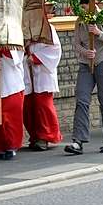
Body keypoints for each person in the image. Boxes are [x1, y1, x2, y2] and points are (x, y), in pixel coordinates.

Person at [64, 0, 103, 155]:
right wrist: (84, 52)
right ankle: (78, 141)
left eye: (83, 6)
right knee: (82, 99)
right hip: (85, 64)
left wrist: (98, 33)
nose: (80, 9)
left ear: (90, 4)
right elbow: (76, 44)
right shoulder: (80, 21)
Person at [23, 22, 63, 151]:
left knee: (42, 105)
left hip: (42, 72)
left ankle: (45, 137)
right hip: (26, 70)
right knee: (28, 106)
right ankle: (34, 136)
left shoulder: (47, 28)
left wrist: (36, 58)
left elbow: (55, 49)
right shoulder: (22, 27)